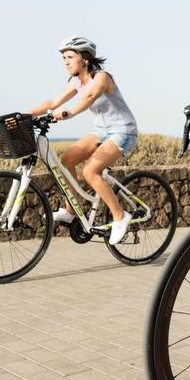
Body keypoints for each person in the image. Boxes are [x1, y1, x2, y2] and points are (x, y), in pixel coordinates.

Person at [28, 37, 139, 245]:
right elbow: (53, 102)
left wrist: (69, 113)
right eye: (63, 58)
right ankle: (71, 211)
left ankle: (120, 216)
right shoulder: (76, 82)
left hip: (123, 131)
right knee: (66, 160)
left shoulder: (102, 77)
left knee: (90, 171)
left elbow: (90, 97)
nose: (65, 62)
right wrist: (24, 115)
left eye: (70, 57)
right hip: (101, 131)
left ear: (85, 59)